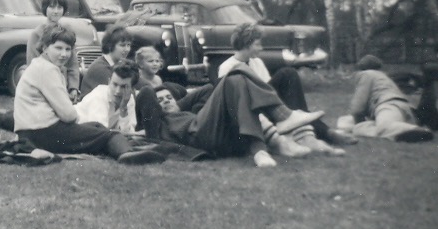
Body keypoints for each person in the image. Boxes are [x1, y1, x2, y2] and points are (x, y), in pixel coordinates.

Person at [14, 23, 165, 165]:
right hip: (41, 133)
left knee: (97, 127)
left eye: (68, 49)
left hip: (31, 133)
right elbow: (68, 115)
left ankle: (126, 150)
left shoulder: (41, 65)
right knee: (109, 135)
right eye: (58, 48)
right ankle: (126, 155)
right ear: (45, 47)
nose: (64, 54)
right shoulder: (47, 70)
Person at [134, 65, 326, 167]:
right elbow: (146, 94)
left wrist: (178, 103)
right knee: (235, 72)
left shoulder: (188, 110)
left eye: (169, 97)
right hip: (196, 135)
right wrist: (164, 102)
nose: (166, 100)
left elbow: (208, 89)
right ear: (154, 109)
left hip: (213, 132)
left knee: (237, 80)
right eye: (161, 101)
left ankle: (260, 151)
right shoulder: (158, 125)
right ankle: (282, 115)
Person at [217, 23, 357, 149]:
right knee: (287, 73)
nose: (261, 48)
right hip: (249, 111)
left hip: (266, 106)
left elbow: (269, 93)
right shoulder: (227, 67)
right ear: (246, 45)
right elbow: (230, 102)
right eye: (258, 44)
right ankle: (327, 133)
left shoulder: (257, 62)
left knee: (293, 94)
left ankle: (323, 131)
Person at [339, 55, 433, 142]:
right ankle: (399, 131)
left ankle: (418, 131)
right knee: (349, 124)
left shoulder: (367, 74)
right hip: (397, 108)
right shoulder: (382, 76)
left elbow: (358, 107)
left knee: (383, 127)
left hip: (389, 105)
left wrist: (358, 121)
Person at [27, 0, 80, 102]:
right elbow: (32, 65)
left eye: (59, 8)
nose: (56, 11)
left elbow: (73, 63)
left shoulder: (67, 32)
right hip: (43, 88)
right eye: (51, 7)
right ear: (45, 9)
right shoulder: (37, 34)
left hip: (63, 86)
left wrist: (73, 88)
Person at [75, 59, 139, 134]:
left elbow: (129, 134)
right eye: (114, 84)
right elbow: (99, 133)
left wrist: (123, 108)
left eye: (123, 87)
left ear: (132, 89)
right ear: (109, 82)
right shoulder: (98, 95)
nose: (117, 91)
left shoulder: (129, 99)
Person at [80, 25, 133, 96]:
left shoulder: (118, 64)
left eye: (128, 45)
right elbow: (114, 94)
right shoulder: (101, 68)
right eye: (122, 45)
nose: (127, 49)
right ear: (110, 46)